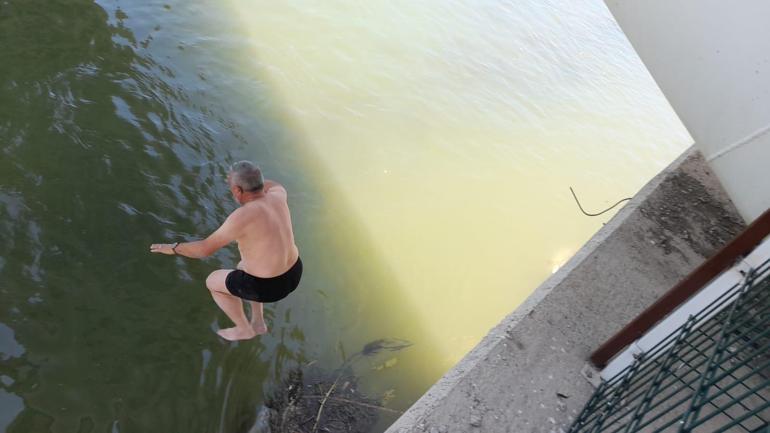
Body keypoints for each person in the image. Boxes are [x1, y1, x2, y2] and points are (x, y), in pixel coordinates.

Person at [150, 161, 302, 341]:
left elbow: (204, 249)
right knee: (243, 265)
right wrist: (248, 179)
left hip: (268, 288)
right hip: (294, 271)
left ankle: (243, 328)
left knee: (213, 282)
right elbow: (269, 183)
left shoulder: (241, 217)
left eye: (231, 187)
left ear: (238, 190)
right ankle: (258, 321)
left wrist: (173, 248)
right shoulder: (278, 194)